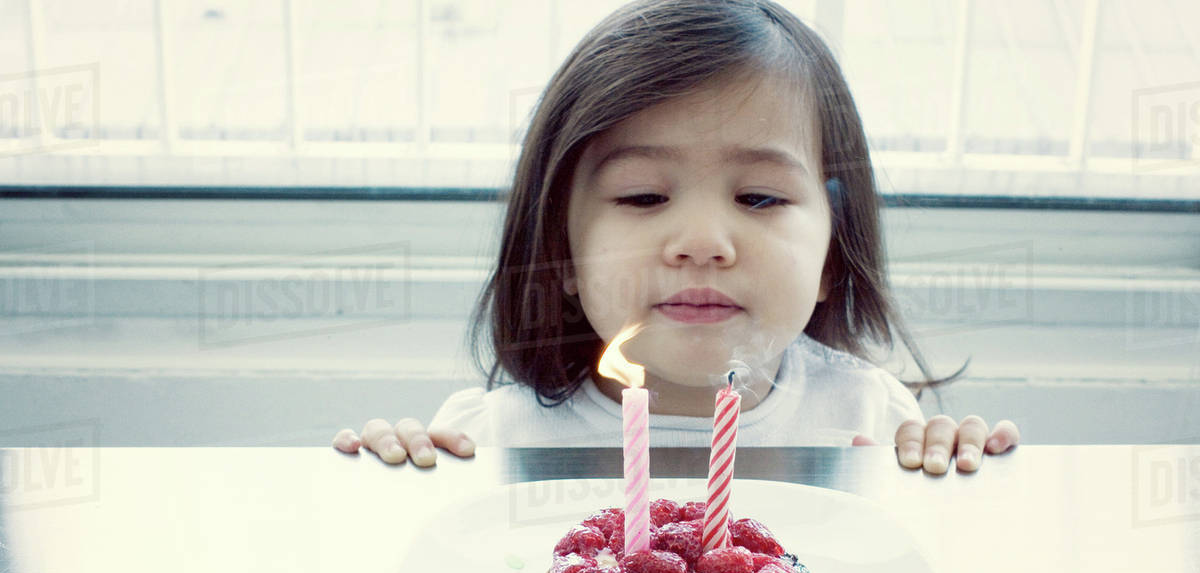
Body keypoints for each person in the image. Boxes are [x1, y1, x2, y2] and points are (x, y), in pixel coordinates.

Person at [333, 0, 1019, 474]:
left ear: (833, 256)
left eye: (759, 197)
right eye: (643, 196)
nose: (700, 242)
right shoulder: (497, 444)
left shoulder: (868, 419)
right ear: (562, 253)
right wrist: (403, 475)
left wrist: (946, 471)